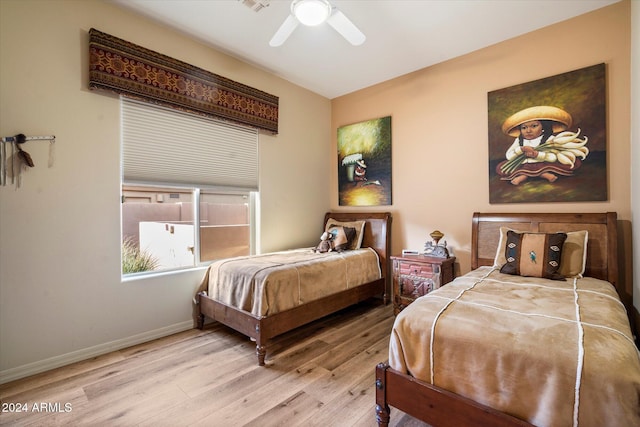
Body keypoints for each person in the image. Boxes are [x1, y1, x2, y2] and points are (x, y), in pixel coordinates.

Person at [497, 105, 582, 185]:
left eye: (534, 126)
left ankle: (532, 175)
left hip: (543, 164)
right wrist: (521, 149)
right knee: (503, 167)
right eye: (524, 128)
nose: (528, 130)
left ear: (543, 127)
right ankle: (533, 175)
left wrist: (537, 155)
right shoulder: (519, 140)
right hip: (524, 165)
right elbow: (509, 156)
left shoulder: (550, 139)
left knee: (545, 167)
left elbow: (553, 157)